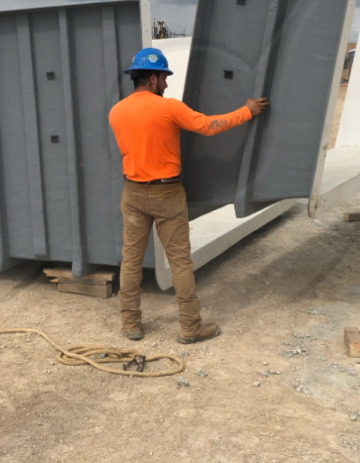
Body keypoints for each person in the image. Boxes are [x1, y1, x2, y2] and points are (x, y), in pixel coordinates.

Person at [108, 48, 268, 344]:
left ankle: (130, 325)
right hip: (166, 193)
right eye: (165, 79)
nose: (167, 85)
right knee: (179, 262)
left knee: (130, 260)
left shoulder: (116, 111)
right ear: (154, 78)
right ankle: (190, 327)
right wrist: (248, 111)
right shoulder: (169, 108)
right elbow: (208, 126)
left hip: (131, 193)